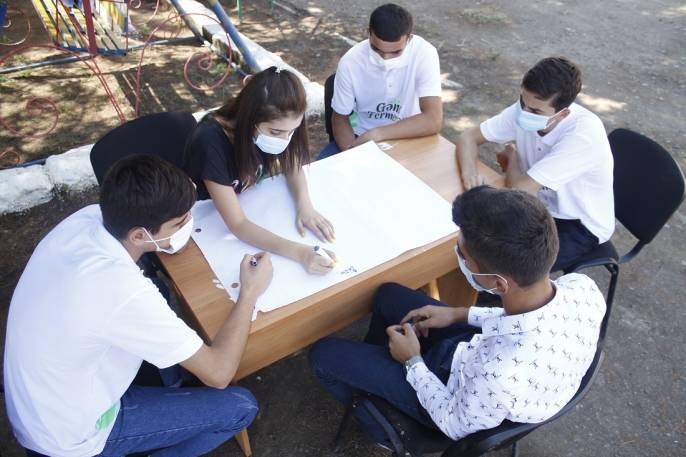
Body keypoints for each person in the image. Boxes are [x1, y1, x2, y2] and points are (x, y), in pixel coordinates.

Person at [4, 155, 274, 457]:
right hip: (72, 436)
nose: (188, 224)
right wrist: (249, 292)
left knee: (159, 289)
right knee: (240, 407)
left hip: (40, 399)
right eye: (179, 222)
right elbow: (219, 372)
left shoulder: (87, 218)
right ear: (138, 235)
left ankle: (170, 389)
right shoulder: (121, 291)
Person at [309, 186, 606, 445]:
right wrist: (459, 314)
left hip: (449, 400)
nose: (459, 257)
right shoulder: (582, 287)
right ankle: (381, 366)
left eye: (463, 255)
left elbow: (453, 423)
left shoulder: (499, 373)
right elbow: (523, 320)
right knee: (387, 294)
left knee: (322, 355)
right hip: (478, 360)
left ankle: (384, 430)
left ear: (498, 283)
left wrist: (412, 363)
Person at [455, 57, 614, 271]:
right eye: (522, 102)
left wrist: (513, 159)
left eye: (536, 112)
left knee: (502, 272)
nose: (524, 113)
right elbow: (468, 138)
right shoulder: (527, 107)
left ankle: (482, 301)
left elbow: (519, 189)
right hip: (537, 204)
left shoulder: (583, 136)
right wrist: (469, 175)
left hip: (577, 224)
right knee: (473, 245)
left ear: (563, 113)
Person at [184, 66, 337, 274]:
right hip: (203, 219)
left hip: (248, 203)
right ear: (250, 118)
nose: (285, 139)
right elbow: (237, 224)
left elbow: (292, 163)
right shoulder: (210, 142)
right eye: (276, 132)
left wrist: (305, 205)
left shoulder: (280, 124)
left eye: (291, 132)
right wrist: (302, 253)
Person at [318, 3, 443, 159]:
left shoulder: (424, 53)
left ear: (409, 38)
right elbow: (339, 119)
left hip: (411, 135)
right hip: (360, 137)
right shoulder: (351, 62)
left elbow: (433, 120)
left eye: (396, 52)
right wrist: (352, 155)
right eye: (376, 49)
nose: (385, 59)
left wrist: (377, 134)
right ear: (369, 33)